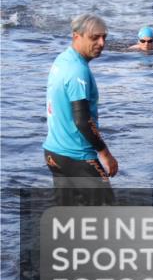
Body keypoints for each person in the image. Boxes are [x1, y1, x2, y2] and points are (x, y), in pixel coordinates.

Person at [43, 14, 119, 205]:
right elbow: (83, 121)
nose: (101, 43)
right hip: (77, 156)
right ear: (77, 36)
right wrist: (105, 154)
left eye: (104, 37)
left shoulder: (62, 60)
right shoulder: (78, 71)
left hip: (54, 153)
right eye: (94, 38)